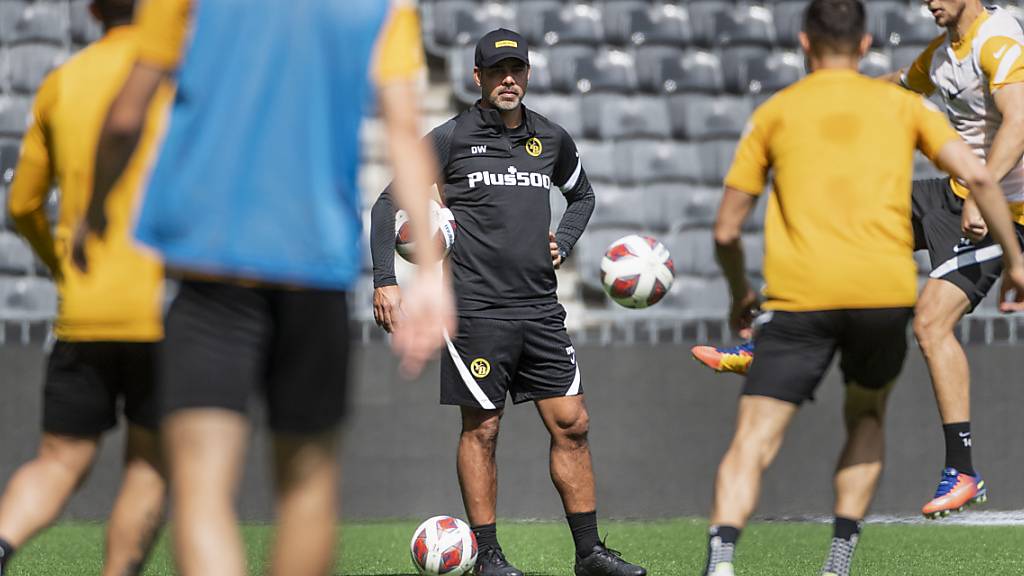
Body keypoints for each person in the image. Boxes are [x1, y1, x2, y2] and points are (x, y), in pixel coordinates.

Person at [73, 1, 454, 575]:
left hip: (212, 270)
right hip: (314, 270)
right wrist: (429, 271)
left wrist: (95, 210)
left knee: (201, 493)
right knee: (306, 490)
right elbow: (404, 129)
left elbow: (127, 116)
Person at [699, 0, 1024, 574]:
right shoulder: (942, 53)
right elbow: (890, 85)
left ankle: (963, 468)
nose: (927, 2)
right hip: (953, 194)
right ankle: (770, 333)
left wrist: (986, 195)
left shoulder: (999, 41)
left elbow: (1019, 121)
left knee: (929, 323)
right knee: (850, 212)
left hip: (1006, 209)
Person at [369, 28, 645, 576]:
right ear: (478, 78)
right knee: (483, 429)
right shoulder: (450, 138)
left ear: (528, 74)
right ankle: (488, 555)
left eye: (516, 70)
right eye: (497, 72)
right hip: (475, 310)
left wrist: (562, 242)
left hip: (541, 310)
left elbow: (582, 195)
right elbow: (387, 204)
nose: (508, 80)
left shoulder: (552, 139)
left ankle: (589, 554)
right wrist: (386, 280)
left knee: (573, 423)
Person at [0, 2, 169, 574]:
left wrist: (59, 266)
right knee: (150, 464)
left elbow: (22, 204)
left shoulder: (60, 82)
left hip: (85, 306)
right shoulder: (174, 77)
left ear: (93, 10)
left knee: (58, 460)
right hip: (163, 310)